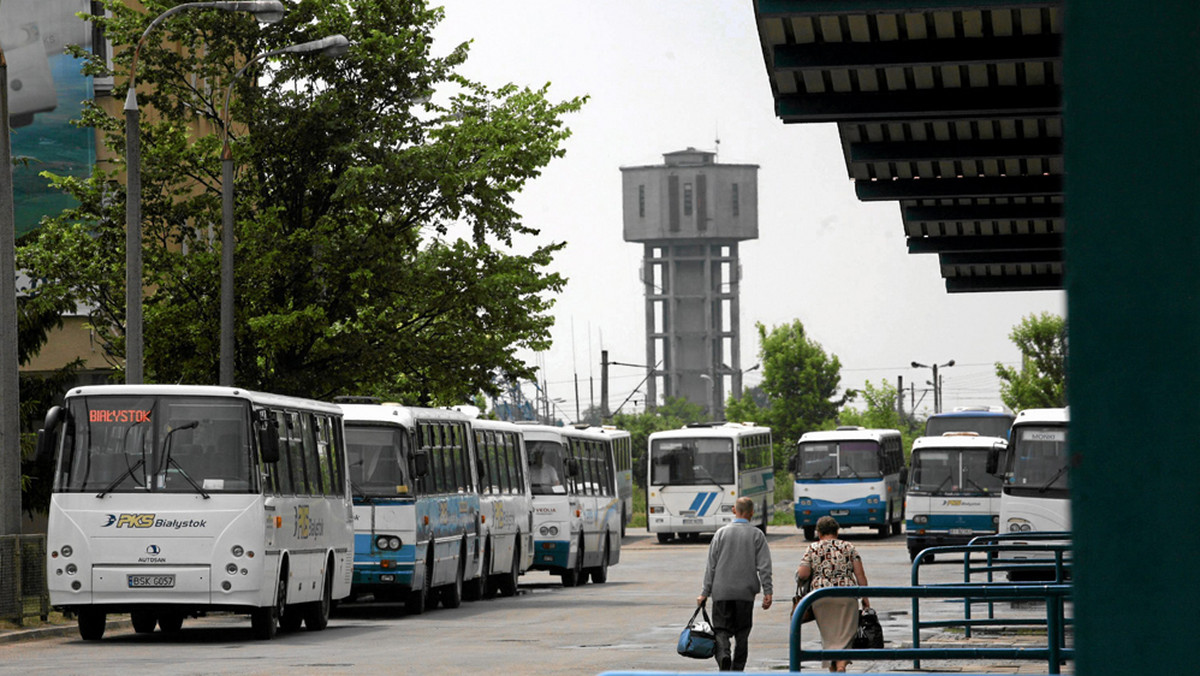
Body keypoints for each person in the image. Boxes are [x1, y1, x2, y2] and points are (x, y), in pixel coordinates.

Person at [697, 497, 773, 671]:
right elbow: (764, 567)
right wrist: (768, 591)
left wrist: (704, 593)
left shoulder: (721, 534)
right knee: (742, 633)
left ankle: (723, 655)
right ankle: (738, 668)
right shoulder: (757, 535)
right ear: (752, 513)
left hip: (721, 592)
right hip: (745, 594)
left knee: (721, 630)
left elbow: (711, 566)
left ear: (734, 510)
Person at [795, 516, 870, 673]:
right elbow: (860, 575)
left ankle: (834, 670)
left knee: (829, 638)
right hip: (847, 596)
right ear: (837, 531)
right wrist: (865, 600)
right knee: (845, 636)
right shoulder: (849, 547)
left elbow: (803, 573)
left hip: (821, 598)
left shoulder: (813, 548)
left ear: (819, 532)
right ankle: (841, 666)